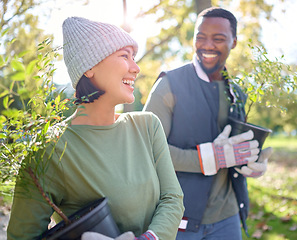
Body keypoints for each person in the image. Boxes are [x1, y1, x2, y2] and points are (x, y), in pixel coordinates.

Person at [7, 17, 184, 240]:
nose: (136, 68)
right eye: (124, 56)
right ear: (89, 67)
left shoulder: (147, 127)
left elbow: (172, 198)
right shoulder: (47, 151)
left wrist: (150, 238)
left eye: (134, 58)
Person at [143, 7, 273, 240]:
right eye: (200, 37)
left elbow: (234, 148)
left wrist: (252, 160)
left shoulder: (237, 93)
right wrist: (212, 158)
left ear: (234, 42)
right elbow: (146, 150)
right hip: (178, 216)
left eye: (219, 38)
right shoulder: (169, 85)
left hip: (227, 217)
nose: (208, 45)